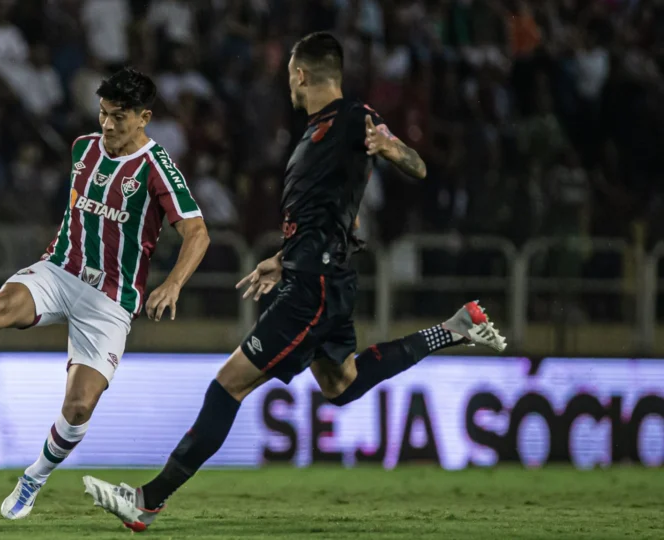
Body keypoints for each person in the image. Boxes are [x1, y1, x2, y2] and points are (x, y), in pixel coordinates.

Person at [82, 32, 507, 531]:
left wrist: (392, 148)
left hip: (314, 287)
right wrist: (284, 258)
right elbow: (325, 212)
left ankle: (147, 501)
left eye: (289, 75)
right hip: (319, 275)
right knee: (342, 384)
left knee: (227, 387)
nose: (288, 83)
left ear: (301, 75)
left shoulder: (353, 119)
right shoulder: (317, 130)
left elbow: (418, 165)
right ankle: (454, 329)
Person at [0, 67, 209, 520]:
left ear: (144, 118)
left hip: (110, 299)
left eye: (118, 117)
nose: (107, 124)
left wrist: (173, 283)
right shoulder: (83, 148)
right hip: (59, 270)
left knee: (79, 406)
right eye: (103, 113)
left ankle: (34, 477)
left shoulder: (157, 169)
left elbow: (197, 233)